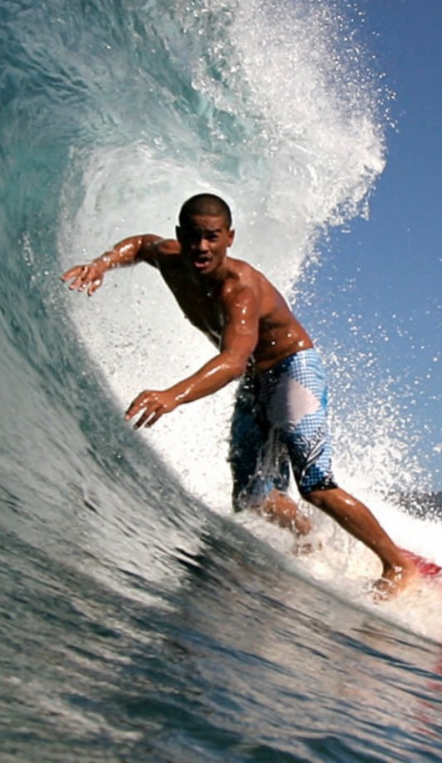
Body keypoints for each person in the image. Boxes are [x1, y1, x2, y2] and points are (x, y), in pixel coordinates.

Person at [62, 192, 417, 596]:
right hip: (255, 379)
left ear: (229, 237)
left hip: (292, 370)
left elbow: (232, 360)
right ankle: (308, 536)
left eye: (212, 237)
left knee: (315, 485)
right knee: (252, 496)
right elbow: (142, 244)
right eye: (193, 236)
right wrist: (103, 263)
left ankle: (398, 565)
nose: (201, 246)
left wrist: (173, 395)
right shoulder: (171, 258)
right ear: (180, 235)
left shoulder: (238, 289)